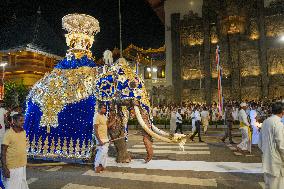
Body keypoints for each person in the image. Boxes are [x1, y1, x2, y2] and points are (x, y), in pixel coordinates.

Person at [258, 102, 284, 189]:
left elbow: (260, 142)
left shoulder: (265, 122)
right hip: (276, 161)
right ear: (282, 111)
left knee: (268, 185)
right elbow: (281, 145)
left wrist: (266, 152)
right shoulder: (278, 124)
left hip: (266, 158)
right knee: (278, 185)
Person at [1, 113, 29, 189]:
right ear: (14, 121)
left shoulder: (23, 132)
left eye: (23, 120)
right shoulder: (8, 134)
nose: (23, 122)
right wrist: (4, 168)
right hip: (12, 167)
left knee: (21, 185)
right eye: (20, 120)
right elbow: (3, 151)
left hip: (22, 165)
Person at [94, 104, 109, 173]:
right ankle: (97, 166)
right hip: (100, 137)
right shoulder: (97, 116)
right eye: (103, 108)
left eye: (105, 108)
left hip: (105, 137)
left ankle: (102, 166)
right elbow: (95, 129)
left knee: (104, 153)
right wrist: (99, 140)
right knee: (102, 152)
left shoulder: (104, 116)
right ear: (99, 109)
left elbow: (107, 126)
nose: (104, 110)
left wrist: (114, 121)